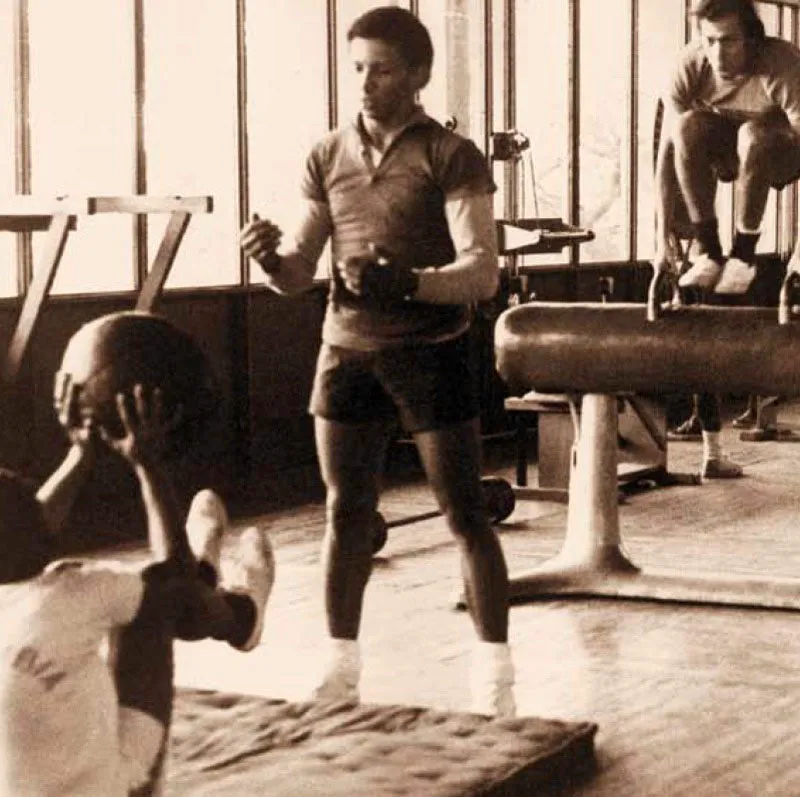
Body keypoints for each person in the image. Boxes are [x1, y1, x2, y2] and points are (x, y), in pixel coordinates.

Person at [240, 6, 514, 716]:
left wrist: (412, 282)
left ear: (418, 76)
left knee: (464, 515)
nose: (365, 83)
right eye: (358, 68)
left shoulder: (452, 155)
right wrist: (272, 261)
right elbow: (301, 270)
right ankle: (339, 670)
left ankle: (495, 679)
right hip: (347, 351)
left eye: (382, 69)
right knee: (346, 512)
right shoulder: (326, 154)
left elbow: (481, 272)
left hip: (432, 353)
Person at [0, 386, 275, 796]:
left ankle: (218, 588)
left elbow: (24, 528)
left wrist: (81, 454)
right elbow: (174, 580)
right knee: (161, 593)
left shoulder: (49, 587)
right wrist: (148, 466)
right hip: (123, 789)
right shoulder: (79, 589)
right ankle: (241, 614)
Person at [650, 0, 800, 477]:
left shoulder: (782, 63)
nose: (716, 52)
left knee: (754, 136)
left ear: (753, 40)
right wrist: (663, 241)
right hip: (719, 149)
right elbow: (667, 159)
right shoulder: (689, 67)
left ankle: (744, 249)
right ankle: (713, 248)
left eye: (728, 40)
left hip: (779, 151)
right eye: (709, 40)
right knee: (690, 126)